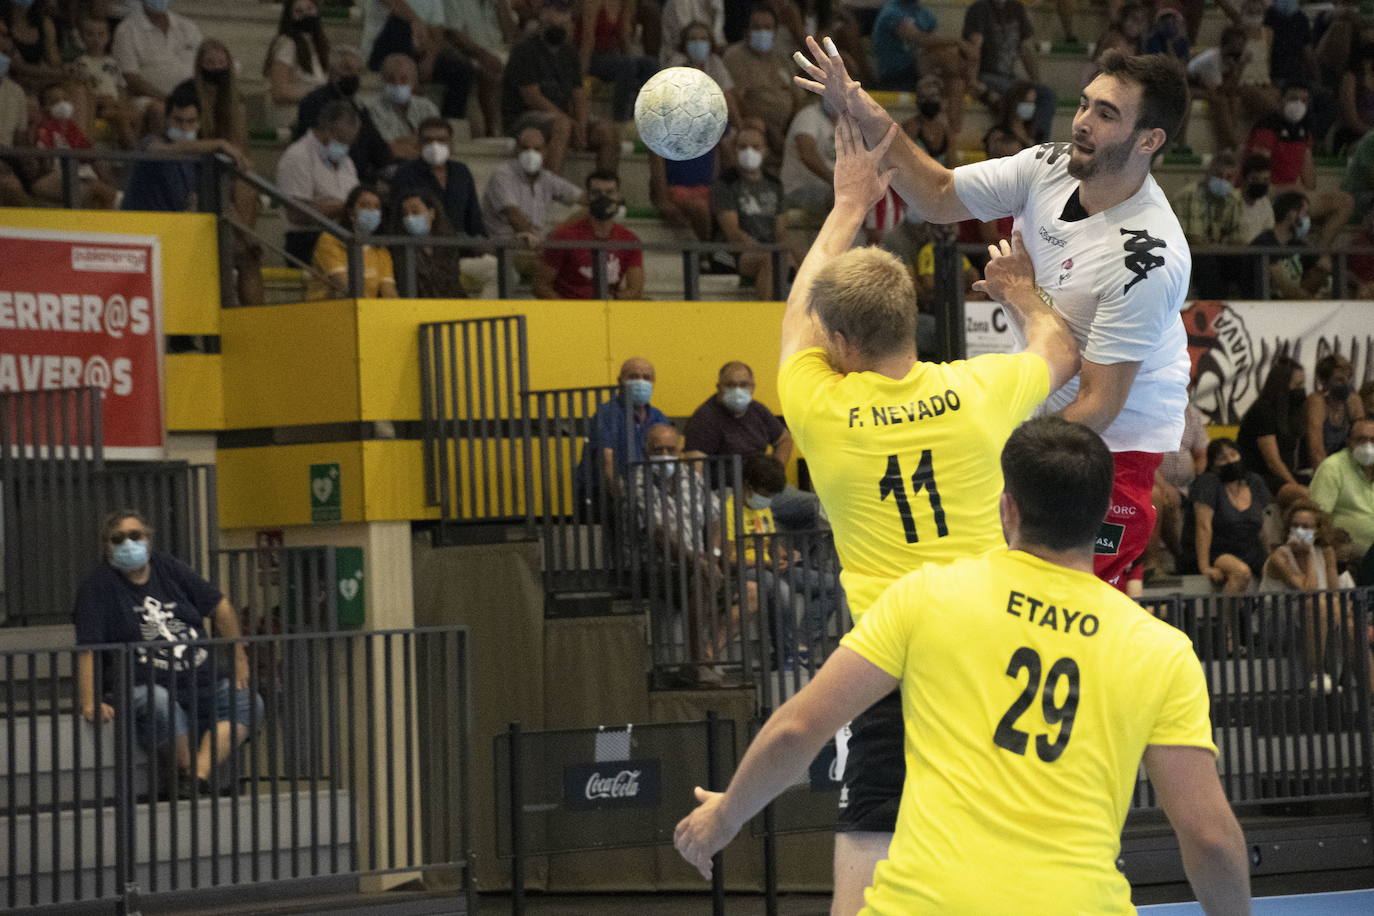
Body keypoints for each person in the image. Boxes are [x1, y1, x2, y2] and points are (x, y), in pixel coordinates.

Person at [674, 417, 1249, 914]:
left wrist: (725, 816)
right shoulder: (1160, 649)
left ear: (1007, 507)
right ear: (1103, 516)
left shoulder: (928, 595)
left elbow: (800, 727)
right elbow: (1208, 836)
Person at [770, 112, 1081, 915]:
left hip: (890, 658)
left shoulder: (819, 406)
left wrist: (846, 208)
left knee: (874, 825)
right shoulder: (980, 396)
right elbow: (1057, 349)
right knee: (999, 834)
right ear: (911, 322)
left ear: (839, 340)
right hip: (992, 648)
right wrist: (1020, 294)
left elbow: (795, 316)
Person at [795, 45, 1195, 594]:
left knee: (1044, 611)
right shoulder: (1048, 166)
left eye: (1107, 115)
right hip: (1044, 408)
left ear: (1150, 140)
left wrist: (993, 448)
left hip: (1108, 457)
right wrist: (860, 106)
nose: (1082, 123)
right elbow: (937, 194)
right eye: (1084, 104)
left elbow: (1099, 405)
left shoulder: (1146, 258)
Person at [74, 511, 265, 796]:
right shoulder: (98, 586)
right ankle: (188, 775)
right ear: (107, 546)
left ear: (149, 540)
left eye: (136, 535)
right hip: (140, 688)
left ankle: (194, 779)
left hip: (203, 681)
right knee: (160, 701)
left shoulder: (169, 569)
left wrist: (239, 657)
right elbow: (88, 646)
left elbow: (220, 606)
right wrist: (89, 702)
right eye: (118, 538)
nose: (128, 543)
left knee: (248, 701)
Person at [502, 0, 619, 176]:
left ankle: (605, 189)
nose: (557, 16)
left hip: (561, 117)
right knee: (562, 125)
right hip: (522, 117)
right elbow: (532, 97)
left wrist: (581, 123)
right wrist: (571, 122)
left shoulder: (569, 52)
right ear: (541, 14)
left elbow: (579, 94)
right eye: (552, 9)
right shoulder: (524, 50)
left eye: (562, 11)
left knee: (607, 131)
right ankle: (550, 191)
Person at [187, 40, 264, 306]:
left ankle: (243, 241)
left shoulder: (235, 103)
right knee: (245, 255)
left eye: (221, 64)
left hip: (227, 182)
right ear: (199, 66)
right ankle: (247, 238)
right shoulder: (187, 98)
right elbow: (184, 147)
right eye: (210, 64)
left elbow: (242, 154)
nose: (216, 69)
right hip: (195, 179)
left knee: (245, 185)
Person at [1245, 84, 1354, 248]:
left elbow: (1310, 182)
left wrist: (1300, 189)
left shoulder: (1304, 131)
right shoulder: (1267, 127)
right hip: (1268, 194)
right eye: (1293, 99)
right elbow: (1258, 177)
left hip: (1292, 194)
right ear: (1280, 100)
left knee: (1345, 202)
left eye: (1304, 100)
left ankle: (1318, 253)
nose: (1299, 104)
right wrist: (1290, 189)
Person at [120, 81, 248, 213]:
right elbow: (159, 150)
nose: (184, 127)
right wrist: (220, 144)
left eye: (190, 121)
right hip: (140, 225)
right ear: (167, 120)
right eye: (178, 120)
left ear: (199, 123)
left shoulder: (200, 160)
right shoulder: (150, 141)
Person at [360, 0, 489, 125]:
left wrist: (430, 59)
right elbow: (395, 4)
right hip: (383, 51)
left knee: (462, 70)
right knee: (401, 24)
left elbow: (438, 29)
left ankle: (448, 125)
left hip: (418, 51)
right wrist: (417, 21)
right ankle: (409, 77)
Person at [574, 356, 669, 516]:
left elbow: (669, 456)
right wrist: (622, 499)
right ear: (620, 381)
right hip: (606, 494)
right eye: (633, 377)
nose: (641, 382)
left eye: (647, 377)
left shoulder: (658, 417)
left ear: (653, 382)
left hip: (646, 493)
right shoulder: (607, 413)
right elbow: (607, 459)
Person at [712, 124, 794, 299]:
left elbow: (780, 230)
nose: (749, 151)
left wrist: (790, 249)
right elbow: (732, 233)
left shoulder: (774, 184)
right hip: (733, 253)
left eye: (756, 147)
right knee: (772, 259)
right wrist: (772, 251)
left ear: (765, 151)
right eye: (742, 146)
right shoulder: (725, 184)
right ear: (734, 150)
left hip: (770, 249)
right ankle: (766, 312)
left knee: (804, 254)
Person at [871, 0, 976, 135]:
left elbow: (936, 42)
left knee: (957, 83)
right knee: (940, 56)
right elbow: (920, 39)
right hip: (897, 74)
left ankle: (951, 137)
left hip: (921, 72)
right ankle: (973, 84)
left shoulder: (924, 14)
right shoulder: (892, 11)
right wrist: (958, 42)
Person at [535, 169, 643, 300]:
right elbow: (541, 286)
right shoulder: (564, 237)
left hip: (607, 311)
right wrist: (567, 312)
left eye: (609, 192)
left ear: (618, 196)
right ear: (587, 197)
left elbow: (635, 290)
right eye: (596, 193)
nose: (603, 198)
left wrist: (613, 300)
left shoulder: (630, 240)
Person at [276, 100, 361, 265]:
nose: (344, 146)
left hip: (344, 235)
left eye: (349, 142)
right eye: (341, 139)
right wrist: (342, 207)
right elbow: (296, 213)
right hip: (307, 240)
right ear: (325, 128)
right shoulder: (298, 156)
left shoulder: (347, 162)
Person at [293, 45, 392, 184]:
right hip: (323, 173)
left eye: (357, 71)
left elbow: (376, 146)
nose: (353, 75)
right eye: (347, 69)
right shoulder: (314, 102)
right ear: (332, 71)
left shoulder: (358, 107)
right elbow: (317, 143)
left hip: (360, 179)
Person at [962, 0, 1055, 144]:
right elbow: (975, 47)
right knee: (1019, 95)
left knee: (1045, 94)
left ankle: (1040, 144)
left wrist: (1036, 82)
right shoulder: (980, 8)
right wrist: (973, 82)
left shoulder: (1016, 8)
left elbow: (1026, 49)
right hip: (986, 75)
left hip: (1009, 78)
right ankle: (1020, 139)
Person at [1193, 437, 1272, 605]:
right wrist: (1204, 567)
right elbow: (1203, 527)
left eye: (1233, 454)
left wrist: (1271, 554)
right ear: (1213, 465)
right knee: (1241, 572)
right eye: (1222, 458)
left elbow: (1265, 524)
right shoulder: (1207, 483)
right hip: (1220, 550)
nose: (1230, 460)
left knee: (1280, 567)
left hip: (1252, 548)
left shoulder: (1255, 481)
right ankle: (1227, 627)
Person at [722, 4, 802, 160]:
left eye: (767, 28)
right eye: (757, 27)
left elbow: (797, 97)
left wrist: (791, 128)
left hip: (786, 127)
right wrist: (772, 132)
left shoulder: (781, 59)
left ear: (775, 31)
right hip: (756, 126)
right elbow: (738, 100)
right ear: (747, 30)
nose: (762, 32)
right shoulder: (735, 57)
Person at [481, 124, 584, 245]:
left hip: (533, 244)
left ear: (546, 151)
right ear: (517, 150)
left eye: (537, 149)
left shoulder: (547, 178)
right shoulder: (503, 174)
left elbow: (583, 199)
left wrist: (563, 229)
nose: (531, 154)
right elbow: (514, 216)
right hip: (503, 247)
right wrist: (539, 245)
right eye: (525, 148)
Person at [391, 116, 485, 239]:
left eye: (442, 140)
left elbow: (473, 215)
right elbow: (399, 217)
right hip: (421, 245)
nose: (435, 145)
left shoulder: (461, 171)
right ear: (419, 144)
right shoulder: (405, 172)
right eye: (428, 140)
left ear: (451, 144)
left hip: (461, 245)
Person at [1169, 151, 1247, 299]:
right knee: (1206, 261)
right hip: (1189, 257)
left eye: (1229, 177)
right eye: (1218, 175)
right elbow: (1190, 238)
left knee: (1243, 261)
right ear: (1208, 174)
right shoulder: (1186, 196)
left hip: (1219, 254)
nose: (1223, 180)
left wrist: (1231, 242)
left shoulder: (1234, 200)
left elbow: (1237, 235)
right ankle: (1212, 305)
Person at [32, 82, 118, 209]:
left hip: (79, 173)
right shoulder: (44, 129)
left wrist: (103, 176)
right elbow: (46, 163)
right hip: (57, 175)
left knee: (105, 186)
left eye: (65, 99)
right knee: (97, 189)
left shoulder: (72, 128)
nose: (62, 104)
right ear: (45, 107)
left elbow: (89, 154)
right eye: (55, 101)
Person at [1237, 355, 1309, 505]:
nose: (1301, 390)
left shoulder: (1292, 412)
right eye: (1297, 385)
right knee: (1302, 494)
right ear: (1282, 385)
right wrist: (1294, 485)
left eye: (1303, 385)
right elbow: (1272, 461)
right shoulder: (1263, 411)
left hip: (1283, 475)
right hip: (1257, 477)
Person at [307, 184, 398, 299]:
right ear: (350, 212)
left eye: (377, 207)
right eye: (365, 205)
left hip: (366, 312)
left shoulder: (380, 249)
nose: (372, 211)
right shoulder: (330, 240)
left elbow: (389, 291)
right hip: (326, 311)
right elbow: (344, 285)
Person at [112, 0, 202, 112]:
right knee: (158, 110)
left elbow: (202, 65)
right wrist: (169, 100)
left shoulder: (188, 26)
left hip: (192, 96)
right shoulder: (127, 30)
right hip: (150, 98)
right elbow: (131, 78)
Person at [578, 0, 658, 126]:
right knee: (627, 65)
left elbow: (623, 38)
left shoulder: (623, 4)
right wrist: (580, 73)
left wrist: (634, 60)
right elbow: (587, 39)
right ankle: (619, 119)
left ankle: (642, 116)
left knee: (650, 64)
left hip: (611, 56)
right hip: (592, 56)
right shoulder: (593, 3)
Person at [1310, 417, 1374, 562]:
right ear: (1349, 441)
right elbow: (1318, 519)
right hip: (1351, 559)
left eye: (1373, 440)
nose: (1368, 446)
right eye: (1361, 439)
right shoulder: (1332, 468)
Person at [73, 14, 141, 148]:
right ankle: (134, 153)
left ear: (108, 37)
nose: (96, 39)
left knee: (135, 114)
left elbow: (121, 88)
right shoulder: (81, 63)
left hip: (114, 104)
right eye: (90, 34)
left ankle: (132, 148)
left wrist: (121, 103)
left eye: (101, 34)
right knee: (121, 118)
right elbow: (82, 95)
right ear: (81, 37)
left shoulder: (112, 62)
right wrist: (101, 100)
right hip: (98, 107)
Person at [265, 0, 329, 130]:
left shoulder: (320, 43)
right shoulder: (286, 43)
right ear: (290, 17)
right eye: (299, 11)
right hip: (292, 115)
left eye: (310, 9)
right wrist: (319, 93)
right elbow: (279, 92)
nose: (306, 14)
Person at [367, 53, 441, 163]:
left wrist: (402, 142)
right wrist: (420, 142)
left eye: (404, 79)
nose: (397, 84)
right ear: (382, 80)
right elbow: (388, 148)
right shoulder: (372, 108)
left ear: (414, 82)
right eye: (391, 79)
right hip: (391, 164)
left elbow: (438, 142)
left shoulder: (427, 107)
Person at [392, 187, 466, 297]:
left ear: (431, 213)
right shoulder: (400, 251)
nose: (409, 217)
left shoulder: (449, 243)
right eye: (405, 214)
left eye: (415, 211)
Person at [1305, 354, 1367, 469]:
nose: (1346, 384)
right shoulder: (1317, 401)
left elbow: (1364, 439)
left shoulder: (1352, 400)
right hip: (1317, 468)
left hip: (1342, 467)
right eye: (1339, 380)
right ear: (1324, 382)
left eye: (1348, 378)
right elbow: (1316, 450)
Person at [779, 99, 835, 219]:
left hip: (829, 188)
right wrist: (837, 181)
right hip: (799, 189)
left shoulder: (847, 120)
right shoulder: (809, 116)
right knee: (844, 198)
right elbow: (807, 154)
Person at [1236, 153, 1274, 246]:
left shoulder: (1265, 203)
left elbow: (1269, 231)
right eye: (1254, 179)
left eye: (1265, 180)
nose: (1260, 183)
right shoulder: (1232, 201)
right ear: (1243, 179)